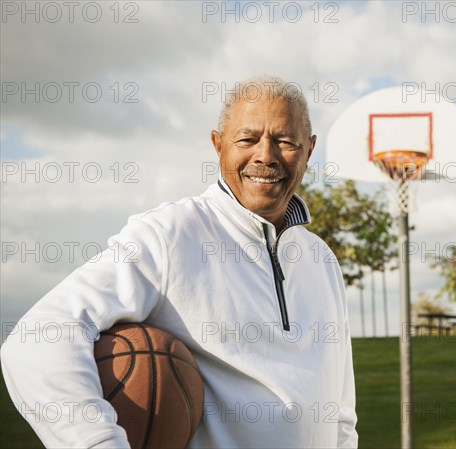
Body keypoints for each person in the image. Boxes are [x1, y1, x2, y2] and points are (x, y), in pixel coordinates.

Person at [1, 76, 358, 448]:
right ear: (218, 145)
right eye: (247, 139)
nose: (265, 156)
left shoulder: (322, 259)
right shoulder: (168, 235)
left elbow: (342, 414)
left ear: (309, 150)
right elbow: (39, 336)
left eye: (284, 141)